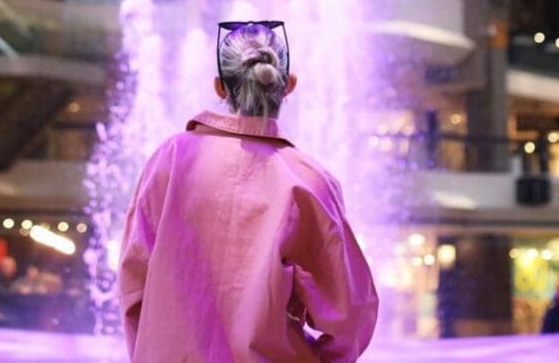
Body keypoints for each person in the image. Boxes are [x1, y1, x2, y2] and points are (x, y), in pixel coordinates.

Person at [119, 21, 379, 362]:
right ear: (288, 85)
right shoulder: (310, 183)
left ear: (220, 88)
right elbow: (350, 318)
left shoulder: (170, 159)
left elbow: (134, 285)